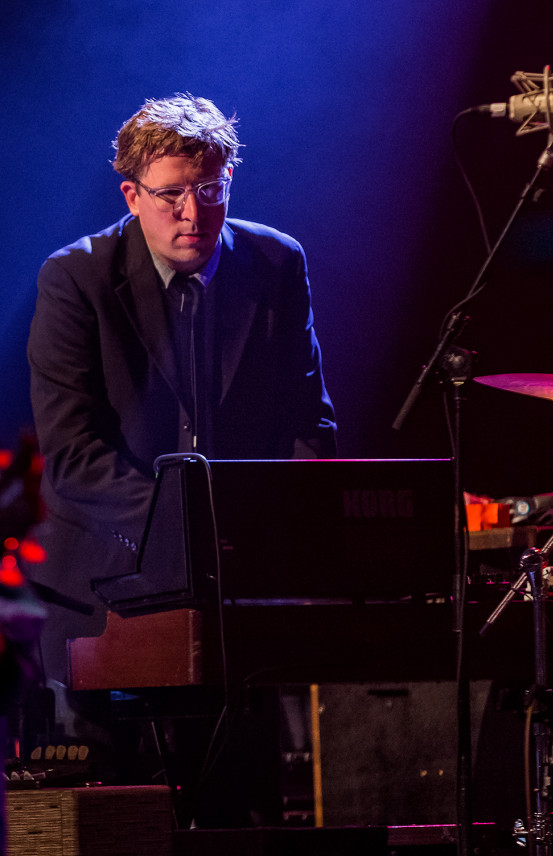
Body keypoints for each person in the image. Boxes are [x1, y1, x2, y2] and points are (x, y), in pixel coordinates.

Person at [25, 94, 336, 788]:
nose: (193, 214)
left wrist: (280, 536)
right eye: (170, 196)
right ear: (131, 195)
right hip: (101, 593)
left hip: (231, 597)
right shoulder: (74, 277)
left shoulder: (275, 264)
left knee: (235, 804)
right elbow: (74, 457)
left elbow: (308, 426)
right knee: (101, 814)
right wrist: (190, 531)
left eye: (209, 191)